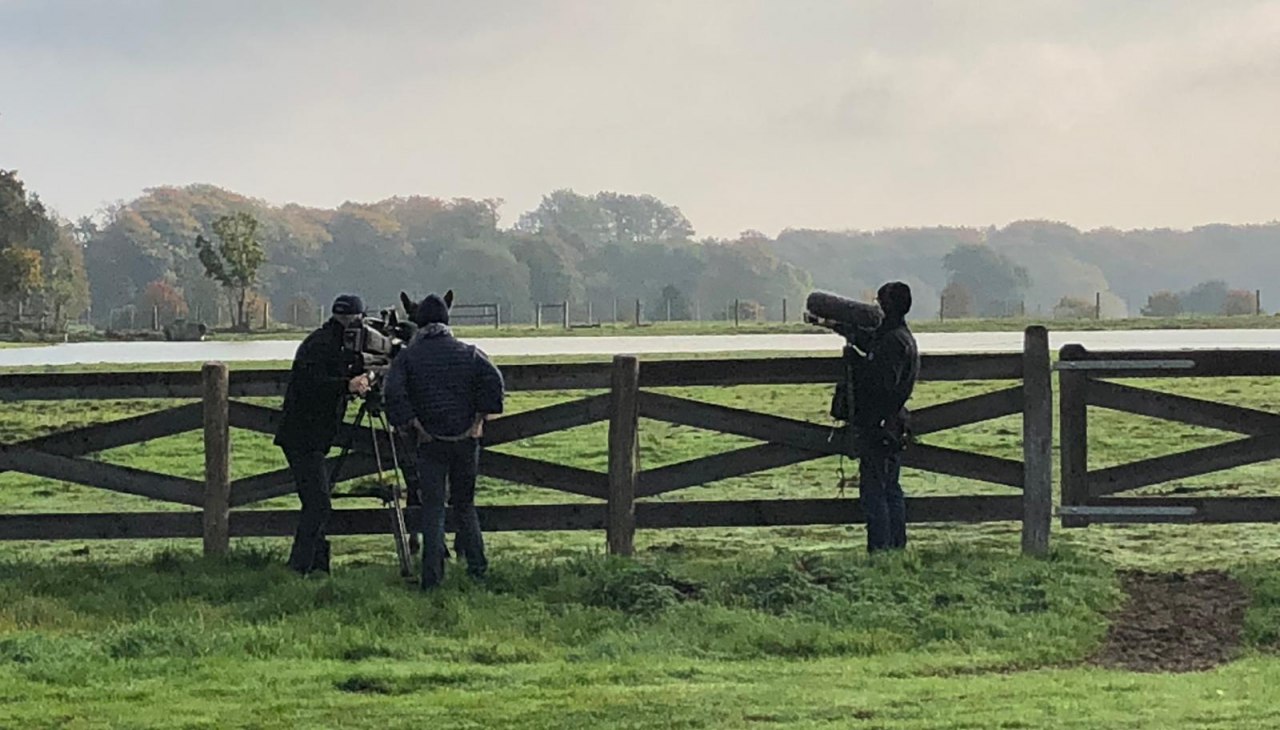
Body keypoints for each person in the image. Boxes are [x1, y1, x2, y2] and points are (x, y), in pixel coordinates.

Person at [384, 292, 505, 589]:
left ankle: (432, 578)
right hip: (466, 439)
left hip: (430, 440)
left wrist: (411, 422)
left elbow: (392, 394)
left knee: (433, 508)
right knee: (465, 505)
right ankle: (478, 570)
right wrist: (479, 420)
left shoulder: (409, 356)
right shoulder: (469, 352)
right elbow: (494, 382)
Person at [273, 294, 371, 575]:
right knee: (318, 504)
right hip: (304, 436)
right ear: (356, 320)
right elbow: (314, 385)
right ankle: (299, 566)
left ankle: (316, 565)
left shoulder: (324, 341)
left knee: (317, 501)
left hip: (307, 435)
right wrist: (348, 385)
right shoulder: (325, 344)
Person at [850, 282, 920, 553]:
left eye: (880, 303)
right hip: (894, 423)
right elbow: (873, 344)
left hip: (881, 425)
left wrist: (857, 364)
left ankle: (880, 550)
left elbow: (882, 384)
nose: (877, 307)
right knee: (891, 488)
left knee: (876, 492)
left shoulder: (892, 342)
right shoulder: (902, 336)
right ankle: (896, 549)